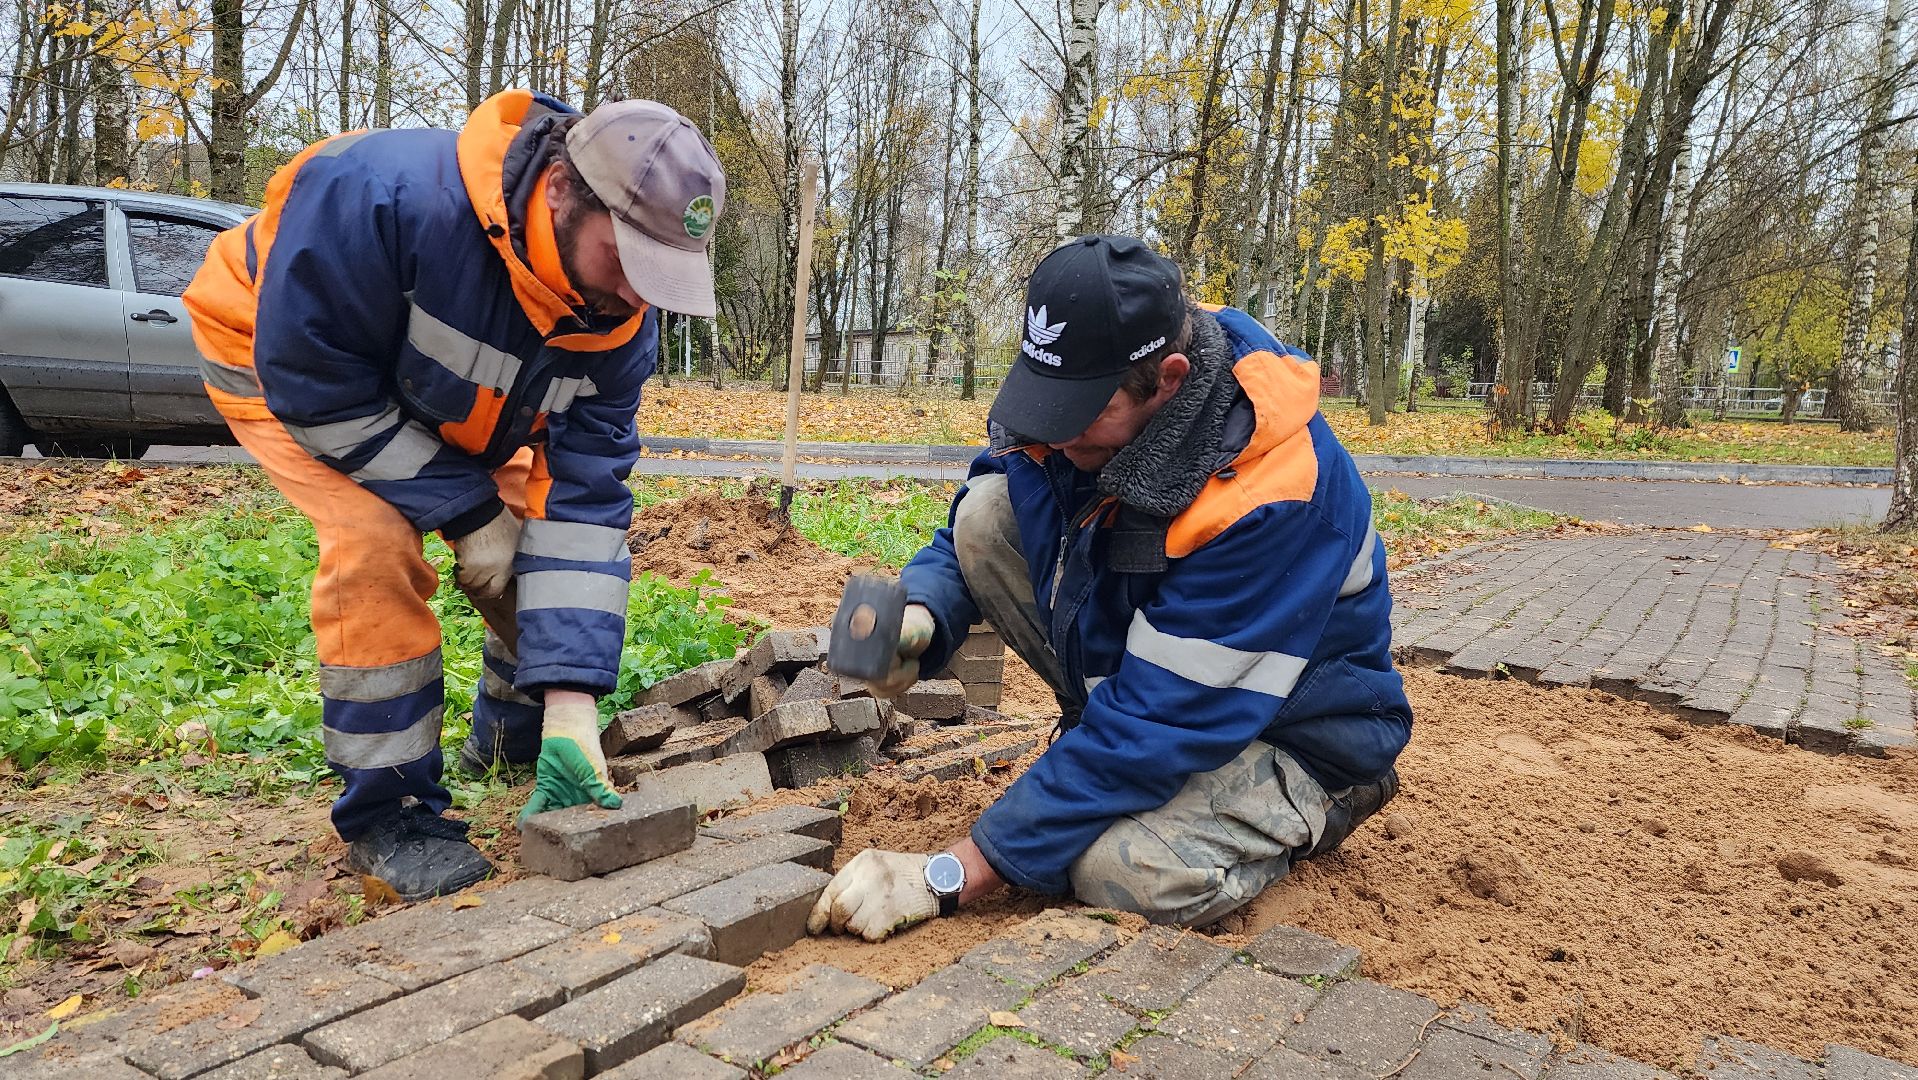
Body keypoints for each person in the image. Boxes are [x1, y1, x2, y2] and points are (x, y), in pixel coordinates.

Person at [182, 91, 726, 901]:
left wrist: (573, 703)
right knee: (377, 541)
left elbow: (581, 499)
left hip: (461, 402)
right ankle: (391, 813)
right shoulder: (380, 195)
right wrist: (468, 513)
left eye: (661, 278)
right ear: (557, 192)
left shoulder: (621, 320)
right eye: (628, 263)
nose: (640, 298)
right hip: (287, 368)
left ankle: (517, 736)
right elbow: (316, 384)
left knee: (536, 536)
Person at [808, 235, 1410, 941]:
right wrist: (919, 618)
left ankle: (1313, 808)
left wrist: (951, 874)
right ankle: (1096, 780)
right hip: (1164, 693)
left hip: (1296, 732)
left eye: (1079, 415)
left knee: (1116, 870)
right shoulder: (1080, 396)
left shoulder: (1276, 495)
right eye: (1045, 404)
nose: (1055, 436)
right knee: (986, 514)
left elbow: (1155, 722)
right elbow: (982, 526)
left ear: (1169, 379)